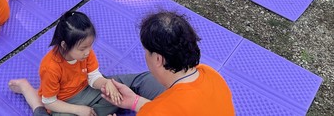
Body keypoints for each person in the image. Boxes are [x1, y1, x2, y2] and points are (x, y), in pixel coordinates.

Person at [101, 11, 235, 115]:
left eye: (146, 51)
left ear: (158, 59)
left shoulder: (156, 111)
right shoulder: (210, 73)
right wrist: (135, 102)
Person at [9, 11, 123, 116]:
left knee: (117, 98)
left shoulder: (86, 52)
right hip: (62, 102)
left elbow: (93, 77)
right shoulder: (50, 67)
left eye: (90, 46)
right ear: (64, 45)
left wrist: (105, 83)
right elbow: (50, 103)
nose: (88, 52)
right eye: (83, 49)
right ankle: (28, 91)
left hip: (85, 91)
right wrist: (78, 109)